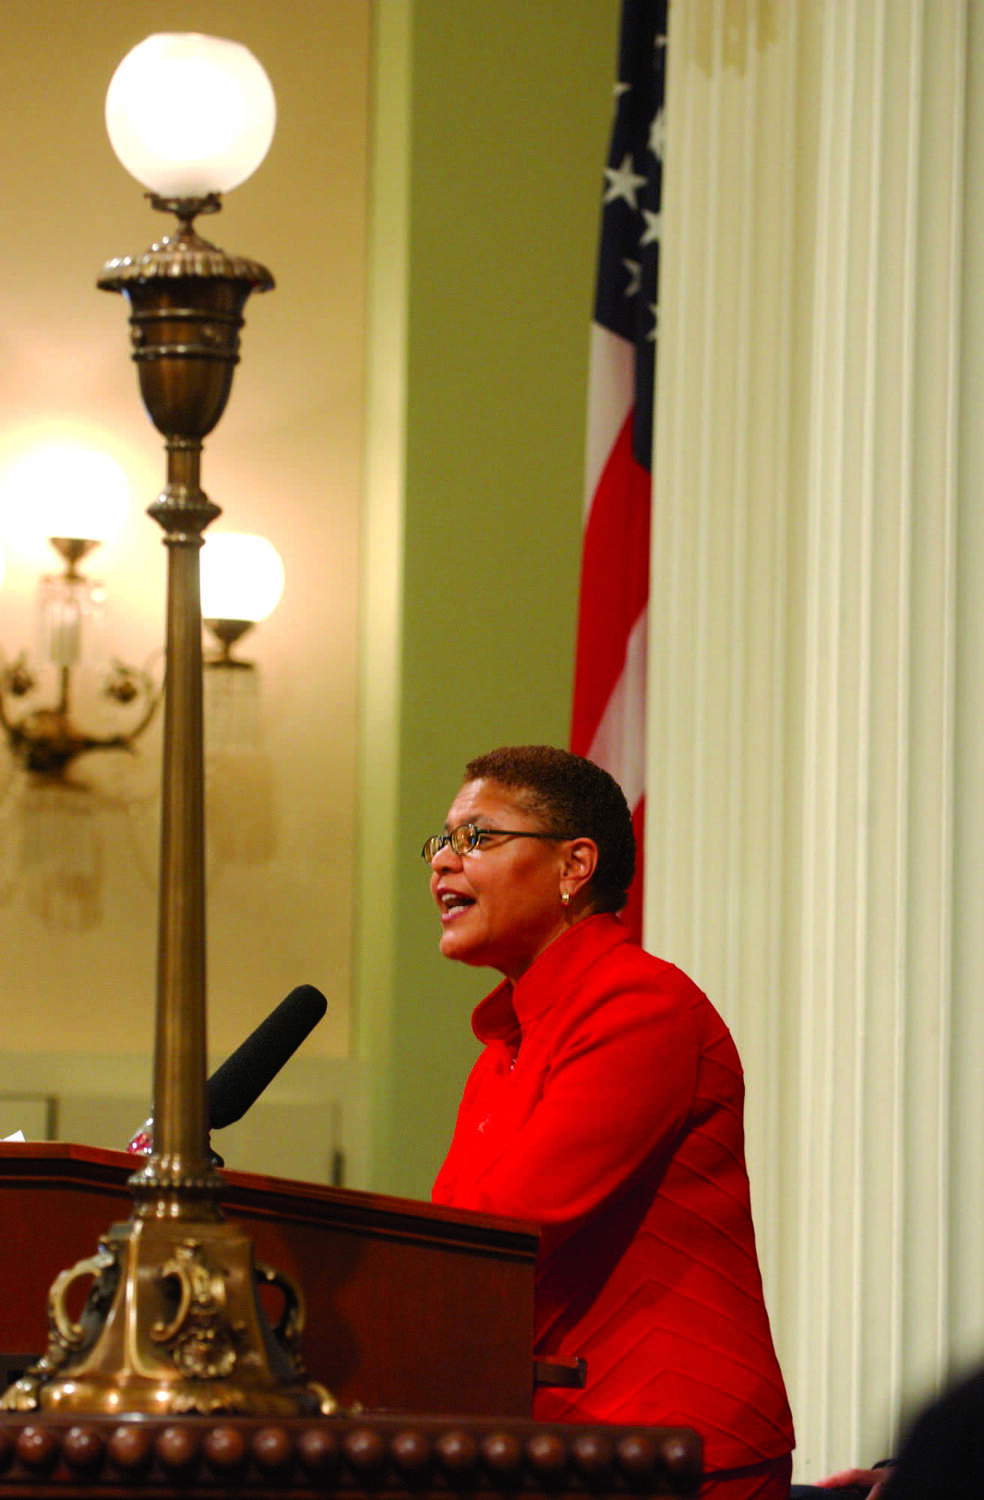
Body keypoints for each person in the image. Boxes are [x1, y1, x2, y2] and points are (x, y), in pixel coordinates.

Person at [426, 746, 795, 1500]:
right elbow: (449, 1247)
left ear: (574, 866)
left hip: (668, 1448)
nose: (442, 864)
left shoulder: (639, 1005)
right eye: (440, 842)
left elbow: (511, 1226)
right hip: (549, 1442)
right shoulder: (500, 1051)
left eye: (476, 839)